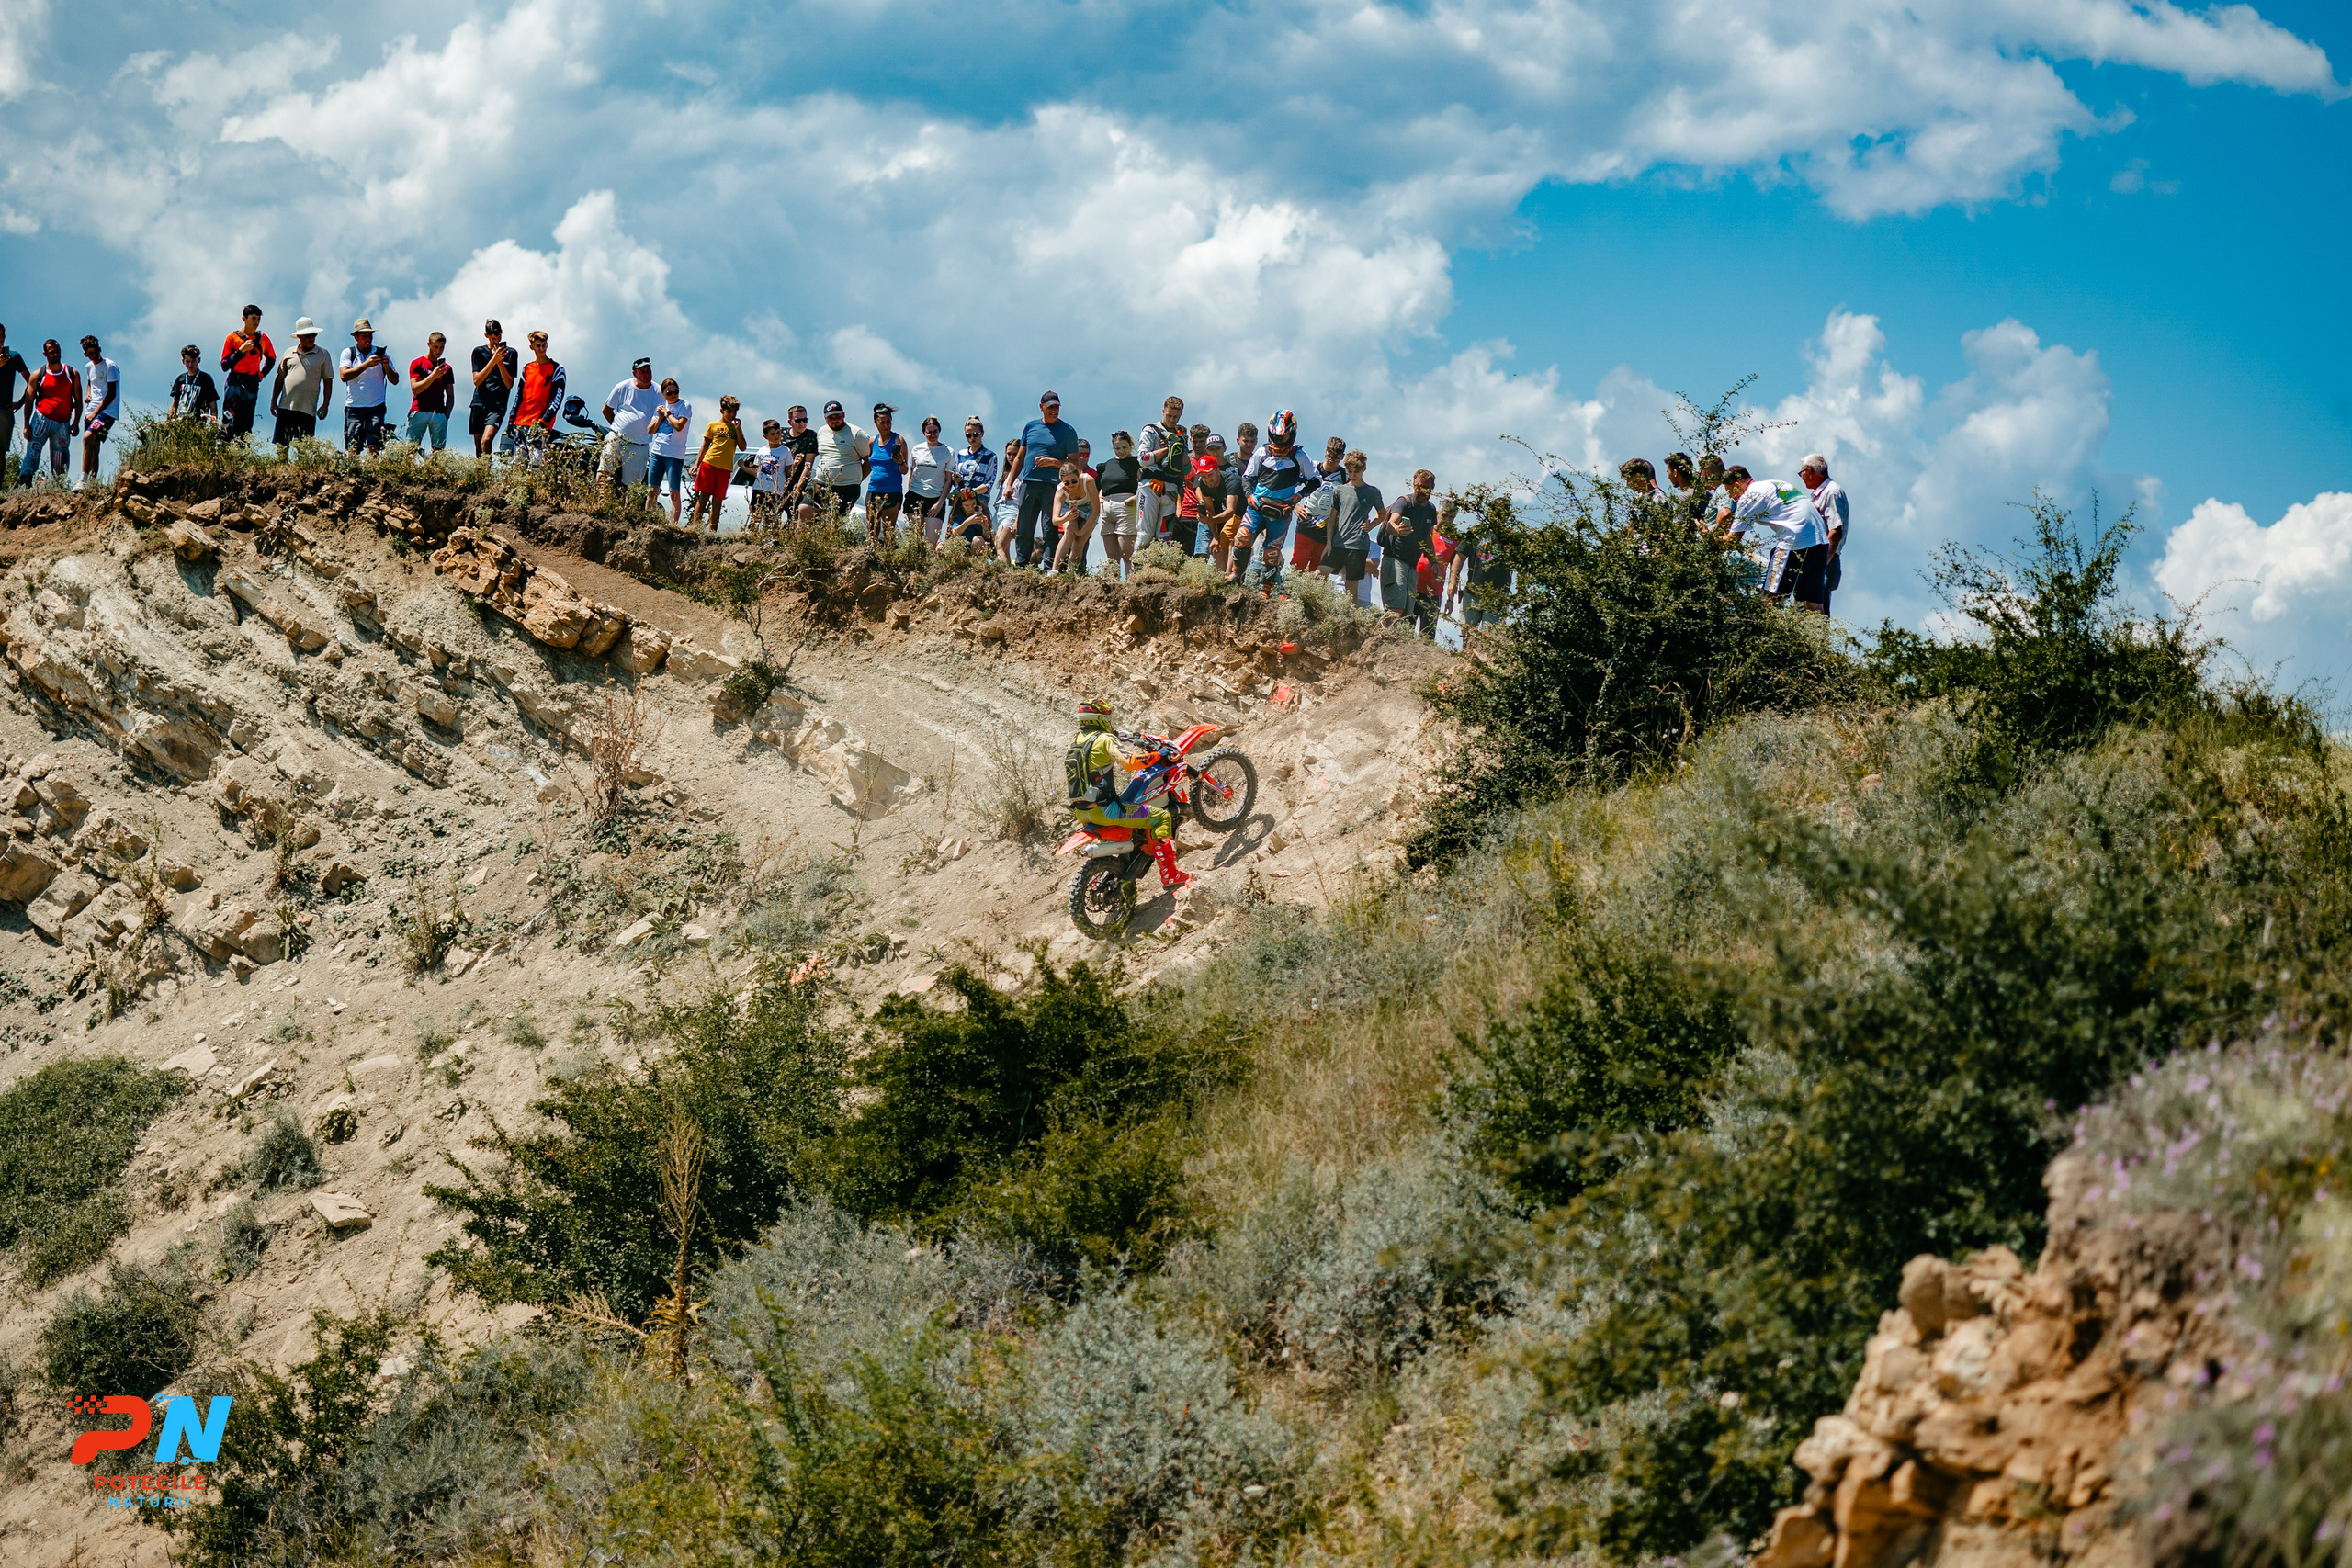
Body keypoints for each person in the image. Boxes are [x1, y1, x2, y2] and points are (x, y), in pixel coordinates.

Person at [1066, 698, 1190, 892]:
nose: (1110, 720)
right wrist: (1159, 754)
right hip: (1106, 810)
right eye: (1107, 716)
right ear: (1100, 719)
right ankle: (1170, 874)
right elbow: (1130, 762)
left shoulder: (1078, 740)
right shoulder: (1104, 739)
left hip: (1082, 812)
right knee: (1161, 817)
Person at [1722, 467, 1831, 612]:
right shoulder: (1774, 484)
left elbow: (1732, 541)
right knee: (1814, 604)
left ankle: (1767, 626)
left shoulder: (1749, 496)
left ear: (1736, 485)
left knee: (1770, 597)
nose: (1731, 497)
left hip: (1795, 540)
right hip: (1820, 541)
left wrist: (1710, 538)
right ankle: (1819, 628)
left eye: (1729, 491)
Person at [1233, 411, 1316, 593]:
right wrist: (1250, 496)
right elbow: (1247, 477)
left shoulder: (1299, 456)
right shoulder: (1263, 452)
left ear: (1291, 435)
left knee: (1272, 552)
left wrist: (1297, 497)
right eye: (1276, 436)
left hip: (1281, 511)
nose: (1279, 440)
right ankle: (1236, 576)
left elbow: (1315, 480)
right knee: (1242, 538)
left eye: (1283, 437)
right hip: (1257, 507)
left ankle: (1265, 589)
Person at [1003, 390, 1079, 568]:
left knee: (1049, 528)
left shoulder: (1068, 431)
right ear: (1041, 407)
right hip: (1029, 483)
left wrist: (1053, 462)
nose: (1054, 410)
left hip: (1053, 486)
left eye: (1057, 407)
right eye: (1050, 407)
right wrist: (1009, 484)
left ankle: (1049, 567)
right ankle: (1021, 565)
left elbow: (1074, 463)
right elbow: (1020, 457)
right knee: (1024, 527)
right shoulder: (1031, 427)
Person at [1380, 469, 1441, 637]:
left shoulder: (1431, 509)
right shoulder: (1404, 502)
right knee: (1395, 608)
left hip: (1412, 566)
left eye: (1425, 488)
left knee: (1407, 613)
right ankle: (1382, 638)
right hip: (1394, 560)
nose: (1421, 491)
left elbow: (1428, 539)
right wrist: (1397, 530)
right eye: (1418, 487)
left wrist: (1434, 562)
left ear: (1432, 488)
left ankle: (1397, 644)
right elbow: (1391, 523)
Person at [1325, 449, 1383, 605]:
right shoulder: (1340, 490)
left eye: (1355, 472)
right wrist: (1329, 542)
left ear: (1363, 469)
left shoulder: (1372, 492)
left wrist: (1371, 525)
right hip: (1339, 541)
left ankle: (1350, 617)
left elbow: (1382, 514)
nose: (1352, 475)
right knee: (1320, 572)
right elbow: (1332, 518)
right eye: (1349, 472)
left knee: (1352, 586)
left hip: (1358, 544)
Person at [599, 356, 663, 495]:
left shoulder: (659, 392)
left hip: (639, 444)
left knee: (633, 487)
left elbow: (660, 416)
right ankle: (599, 501)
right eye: (642, 372)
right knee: (604, 471)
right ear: (634, 373)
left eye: (648, 371)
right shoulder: (622, 387)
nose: (647, 375)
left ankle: (627, 507)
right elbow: (606, 409)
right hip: (617, 437)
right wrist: (619, 427)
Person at [499, 331, 564, 462]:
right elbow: (519, 396)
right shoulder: (527, 369)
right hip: (521, 423)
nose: (542, 349)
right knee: (519, 465)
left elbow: (557, 398)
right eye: (538, 346)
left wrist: (544, 422)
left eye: (544, 345)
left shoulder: (557, 368)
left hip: (539, 425)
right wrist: (512, 419)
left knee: (537, 464)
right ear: (531, 347)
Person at [19, 341, 78, 486]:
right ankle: (25, 486)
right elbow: (29, 400)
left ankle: (58, 487)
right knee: (33, 452)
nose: (56, 354)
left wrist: (76, 423)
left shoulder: (71, 373)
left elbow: (78, 400)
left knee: (60, 459)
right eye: (52, 352)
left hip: (63, 423)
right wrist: (26, 425)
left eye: (58, 351)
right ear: (45, 354)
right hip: (41, 419)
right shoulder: (38, 375)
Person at [336, 318, 399, 455]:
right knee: (353, 447)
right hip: (354, 406)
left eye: (370, 335)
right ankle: (353, 468)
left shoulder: (381, 353)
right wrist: (366, 365)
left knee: (374, 446)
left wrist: (386, 366)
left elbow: (395, 380)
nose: (368, 339)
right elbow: (344, 375)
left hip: (376, 406)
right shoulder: (349, 353)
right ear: (356, 337)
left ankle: (373, 468)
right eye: (364, 335)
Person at [269, 319, 333, 451]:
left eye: (314, 335)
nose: (312, 339)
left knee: (304, 450)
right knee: (282, 447)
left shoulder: (323, 354)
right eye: (308, 336)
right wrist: (273, 401)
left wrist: (325, 405)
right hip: (286, 407)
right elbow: (280, 378)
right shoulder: (289, 352)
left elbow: (328, 381)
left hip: (307, 410)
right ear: (299, 336)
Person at [1136, 397, 1189, 548]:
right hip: (1150, 486)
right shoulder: (1151, 430)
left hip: (1171, 489)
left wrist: (1180, 447)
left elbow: (1186, 469)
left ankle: (1162, 563)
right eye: (1169, 415)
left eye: (1176, 417)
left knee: (1165, 537)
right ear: (1163, 411)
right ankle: (1137, 563)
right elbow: (1142, 459)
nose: (1172, 420)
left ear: (1181, 414)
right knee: (1145, 534)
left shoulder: (1180, 435)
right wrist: (1166, 450)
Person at [688, 395, 746, 533]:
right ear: (722, 411)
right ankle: (695, 530)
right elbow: (704, 446)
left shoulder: (736, 428)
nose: (732, 415)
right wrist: (697, 464)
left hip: (725, 469)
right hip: (709, 464)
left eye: (734, 412)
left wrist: (738, 429)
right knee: (703, 497)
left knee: (718, 501)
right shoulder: (713, 425)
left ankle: (712, 533)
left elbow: (743, 447)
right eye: (729, 411)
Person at [1800, 453, 1849, 615]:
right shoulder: (1823, 493)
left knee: (1816, 613)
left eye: (1801, 473)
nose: (1801, 478)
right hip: (1816, 558)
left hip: (1824, 558)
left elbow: (1835, 532)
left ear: (1809, 471)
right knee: (1804, 611)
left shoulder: (1831, 492)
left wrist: (1820, 564)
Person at [1291, 435, 1345, 577]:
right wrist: (1294, 505)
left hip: (1328, 528)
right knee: (1298, 564)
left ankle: (1314, 592)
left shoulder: (1345, 476)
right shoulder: (1312, 467)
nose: (1331, 460)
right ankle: (1289, 590)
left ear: (1342, 457)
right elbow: (1288, 484)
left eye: (1336, 458)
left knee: (1318, 570)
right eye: (1329, 456)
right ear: (1325, 451)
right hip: (1306, 522)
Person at [811, 400, 871, 523]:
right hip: (822, 483)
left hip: (847, 487)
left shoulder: (857, 434)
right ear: (825, 419)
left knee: (835, 522)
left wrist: (857, 479)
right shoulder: (822, 432)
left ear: (843, 414)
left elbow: (869, 461)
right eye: (830, 417)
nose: (835, 420)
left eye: (837, 416)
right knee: (805, 509)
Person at [219, 306, 273, 440]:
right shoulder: (232, 338)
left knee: (246, 423)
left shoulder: (263, 338)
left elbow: (271, 358)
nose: (256, 322)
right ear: (244, 319)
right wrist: (241, 351)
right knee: (228, 418)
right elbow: (224, 365)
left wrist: (262, 374)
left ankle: (242, 448)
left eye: (258, 319)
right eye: (253, 318)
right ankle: (222, 446)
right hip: (234, 382)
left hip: (251, 384)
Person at [1094, 429, 1141, 579]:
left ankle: (1131, 582)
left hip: (1126, 506)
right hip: (1106, 507)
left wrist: (1135, 498)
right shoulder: (1107, 465)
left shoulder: (1136, 463)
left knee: (1127, 552)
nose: (1121, 451)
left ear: (1131, 445)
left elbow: (1145, 483)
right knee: (1112, 556)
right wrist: (1099, 497)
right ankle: (1112, 583)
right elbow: (1100, 484)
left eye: (1124, 447)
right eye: (1117, 448)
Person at [946, 417, 998, 547]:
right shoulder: (961, 454)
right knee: (952, 532)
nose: (972, 438)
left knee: (982, 532)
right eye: (968, 435)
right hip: (961, 501)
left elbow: (989, 482)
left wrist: (973, 493)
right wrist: (956, 480)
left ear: (982, 434)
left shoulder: (990, 456)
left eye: (975, 434)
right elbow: (956, 478)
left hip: (979, 500)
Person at [646, 378, 693, 524]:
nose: (673, 395)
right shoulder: (661, 407)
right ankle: (648, 521)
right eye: (669, 393)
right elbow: (650, 430)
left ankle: (673, 525)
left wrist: (667, 414)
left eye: (675, 392)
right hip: (658, 452)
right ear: (663, 393)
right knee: (652, 490)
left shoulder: (684, 406)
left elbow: (679, 426)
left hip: (674, 454)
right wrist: (660, 418)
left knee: (674, 492)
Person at [469, 320, 518, 457]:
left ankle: (486, 470)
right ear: (486, 336)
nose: (496, 341)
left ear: (502, 333)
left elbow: (509, 384)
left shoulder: (512, 354)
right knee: (479, 448)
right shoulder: (478, 352)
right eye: (493, 338)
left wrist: (500, 362)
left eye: (499, 337)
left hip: (497, 405)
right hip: (479, 403)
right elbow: (476, 380)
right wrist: (493, 361)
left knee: (486, 440)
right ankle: (482, 471)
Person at [1048, 455, 1101, 576]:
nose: (1071, 485)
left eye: (1074, 481)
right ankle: (1054, 570)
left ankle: (1072, 574)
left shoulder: (1088, 481)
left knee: (1078, 544)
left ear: (1078, 476)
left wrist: (1082, 532)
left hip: (1089, 509)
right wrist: (1067, 518)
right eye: (1066, 483)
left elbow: (1096, 510)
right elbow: (1055, 520)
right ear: (1062, 481)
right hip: (1070, 508)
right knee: (1070, 533)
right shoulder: (1061, 491)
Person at [865, 404, 908, 548]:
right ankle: (870, 557)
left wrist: (901, 462)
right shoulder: (872, 442)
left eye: (888, 422)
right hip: (873, 489)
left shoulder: (898, 440)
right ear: (875, 423)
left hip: (892, 490)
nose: (886, 425)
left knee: (888, 530)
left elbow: (905, 470)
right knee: (872, 530)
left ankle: (889, 557)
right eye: (882, 422)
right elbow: (870, 462)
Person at [405, 332, 455, 454]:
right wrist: (434, 375)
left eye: (441, 348)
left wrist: (446, 415)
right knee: (410, 451)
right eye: (435, 347)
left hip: (439, 413)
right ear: (429, 345)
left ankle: (432, 467)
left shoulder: (447, 368)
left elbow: (450, 395)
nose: (438, 351)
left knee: (438, 454)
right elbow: (415, 389)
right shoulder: (417, 363)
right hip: (419, 410)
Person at [907, 415, 951, 545]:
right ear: (924, 433)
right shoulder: (917, 449)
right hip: (915, 495)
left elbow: (948, 480)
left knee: (931, 542)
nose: (932, 435)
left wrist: (939, 503)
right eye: (929, 432)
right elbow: (911, 474)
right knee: (915, 539)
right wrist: (909, 495)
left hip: (935, 498)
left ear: (939, 431)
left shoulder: (948, 452)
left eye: (935, 431)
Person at [747, 419, 794, 529]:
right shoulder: (761, 451)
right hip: (760, 488)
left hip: (776, 490)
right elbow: (757, 470)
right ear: (765, 436)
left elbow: (788, 471)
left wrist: (795, 464)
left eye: (778, 433)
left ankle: (770, 537)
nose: (776, 436)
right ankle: (751, 536)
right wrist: (744, 467)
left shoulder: (785, 451)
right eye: (772, 434)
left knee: (772, 519)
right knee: (756, 516)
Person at [775, 405, 820, 510]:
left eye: (805, 420)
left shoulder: (811, 436)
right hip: (778, 482)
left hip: (798, 482)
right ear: (790, 422)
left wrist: (798, 489)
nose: (802, 424)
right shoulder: (780, 434)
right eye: (798, 421)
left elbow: (808, 466)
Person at [0, 326, 28, 479]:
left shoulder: (14, 356)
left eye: (2, 335)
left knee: (0, 452)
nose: (0, 339)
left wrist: (20, 403)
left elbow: (31, 381)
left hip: (5, 411)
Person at [169, 344, 219, 425]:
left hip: (199, 424)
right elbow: (175, 402)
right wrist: (169, 420)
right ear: (183, 361)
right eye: (188, 361)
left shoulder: (206, 379)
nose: (190, 364)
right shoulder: (180, 379)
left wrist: (214, 421)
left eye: (193, 361)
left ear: (198, 360)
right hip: (181, 423)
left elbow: (212, 402)